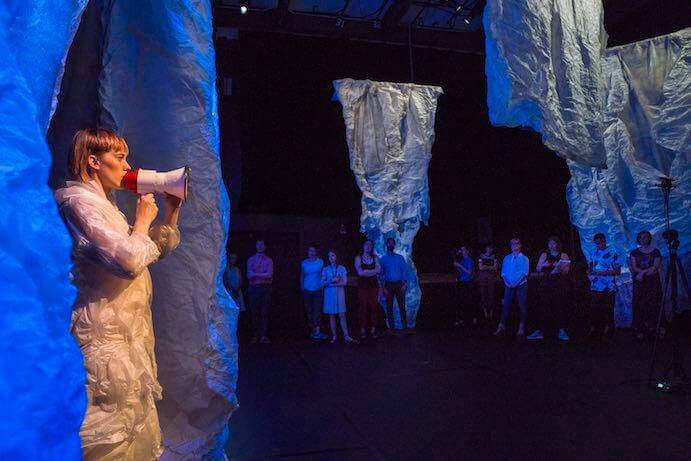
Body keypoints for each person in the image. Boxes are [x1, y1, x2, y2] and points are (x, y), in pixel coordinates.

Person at [55, 128, 181, 460]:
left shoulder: (106, 206)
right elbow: (127, 261)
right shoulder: (78, 203)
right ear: (94, 162)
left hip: (127, 333)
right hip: (103, 337)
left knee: (133, 421)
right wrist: (141, 223)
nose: (128, 167)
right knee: (110, 427)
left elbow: (151, 251)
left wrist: (170, 212)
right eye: (120, 158)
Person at [527, 237, 571, 341]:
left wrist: (559, 267)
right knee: (543, 307)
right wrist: (544, 264)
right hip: (546, 283)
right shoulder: (544, 255)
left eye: (553, 243)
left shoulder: (563, 255)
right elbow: (537, 268)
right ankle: (540, 331)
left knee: (559, 306)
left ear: (557, 244)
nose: (551, 245)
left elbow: (566, 271)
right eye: (549, 243)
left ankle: (561, 330)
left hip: (559, 283)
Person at [586, 233, 622, 337]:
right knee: (594, 307)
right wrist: (589, 271)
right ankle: (594, 327)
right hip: (595, 285)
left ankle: (608, 328)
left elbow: (618, 271)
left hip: (609, 286)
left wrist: (605, 272)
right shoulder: (593, 252)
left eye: (600, 243)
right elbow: (590, 267)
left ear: (604, 241)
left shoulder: (613, 253)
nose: (599, 245)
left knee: (608, 307)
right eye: (596, 243)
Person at [629, 230, 662, 339]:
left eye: (646, 237)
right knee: (640, 304)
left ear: (649, 238)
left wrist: (642, 273)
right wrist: (642, 273)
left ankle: (654, 327)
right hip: (639, 283)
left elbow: (655, 267)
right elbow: (634, 267)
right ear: (639, 239)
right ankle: (640, 328)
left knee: (653, 303)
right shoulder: (634, 252)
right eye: (642, 237)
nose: (644, 239)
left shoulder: (656, 251)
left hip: (652, 282)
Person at [494, 238, 529, 337]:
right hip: (508, 285)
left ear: (520, 245)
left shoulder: (524, 258)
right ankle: (501, 325)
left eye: (516, 244)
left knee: (522, 305)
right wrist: (508, 283)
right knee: (505, 305)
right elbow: (503, 273)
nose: (514, 246)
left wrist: (516, 283)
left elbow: (524, 274)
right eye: (512, 244)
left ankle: (521, 326)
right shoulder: (507, 258)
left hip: (521, 285)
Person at [322, 250, 355, 343]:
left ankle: (346, 335)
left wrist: (332, 283)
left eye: (333, 255)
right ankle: (334, 336)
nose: (331, 258)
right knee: (332, 315)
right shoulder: (325, 269)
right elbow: (322, 282)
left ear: (336, 256)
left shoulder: (342, 268)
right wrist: (333, 280)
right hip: (329, 295)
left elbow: (344, 282)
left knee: (342, 315)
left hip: (339, 294)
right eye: (329, 256)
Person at [380, 237, 410, 333]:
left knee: (402, 306)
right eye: (389, 243)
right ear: (387, 245)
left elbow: (404, 271)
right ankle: (391, 329)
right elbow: (381, 274)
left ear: (394, 245)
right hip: (388, 285)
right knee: (389, 308)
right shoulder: (383, 259)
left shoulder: (400, 258)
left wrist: (405, 283)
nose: (391, 244)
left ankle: (405, 327)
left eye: (392, 243)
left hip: (399, 285)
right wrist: (383, 287)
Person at [247, 239, 274, 344]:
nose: (260, 246)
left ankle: (263, 335)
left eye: (262, 245)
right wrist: (263, 275)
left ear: (265, 246)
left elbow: (269, 275)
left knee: (264, 312)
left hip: (266, 288)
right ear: (255, 246)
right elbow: (249, 276)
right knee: (254, 312)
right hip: (254, 289)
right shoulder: (251, 260)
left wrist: (255, 274)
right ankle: (255, 335)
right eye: (258, 244)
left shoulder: (269, 260)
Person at [355, 239, 381, 339]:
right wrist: (372, 271)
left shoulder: (375, 258)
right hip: (362, 287)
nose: (368, 246)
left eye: (370, 245)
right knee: (363, 308)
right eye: (366, 244)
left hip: (373, 286)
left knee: (373, 307)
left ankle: (373, 330)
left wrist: (366, 271)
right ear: (363, 246)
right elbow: (359, 273)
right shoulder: (358, 258)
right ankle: (362, 330)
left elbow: (379, 270)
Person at [301, 245, 327, 340]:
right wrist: (302, 286)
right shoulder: (304, 263)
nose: (311, 252)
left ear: (316, 252)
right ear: (307, 252)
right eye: (309, 251)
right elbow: (302, 275)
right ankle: (314, 330)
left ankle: (317, 331)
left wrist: (322, 285)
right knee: (309, 311)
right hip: (307, 290)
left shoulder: (321, 262)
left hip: (318, 289)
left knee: (317, 311)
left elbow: (324, 274)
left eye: (313, 251)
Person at [453, 245, 476, 326]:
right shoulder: (462, 259)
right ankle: (463, 319)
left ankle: (472, 318)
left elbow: (469, 272)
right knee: (462, 301)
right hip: (462, 282)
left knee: (469, 301)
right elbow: (462, 271)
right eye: (461, 250)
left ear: (467, 251)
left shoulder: (470, 260)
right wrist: (457, 266)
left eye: (463, 250)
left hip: (468, 283)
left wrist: (459, 265)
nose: (461, 251)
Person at [477, 244, 499, 324]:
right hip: (483, 278)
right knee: (484, 295)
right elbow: (480, 267)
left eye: (491, 248)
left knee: (491, 295)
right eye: (488, 248)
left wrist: (486, 266)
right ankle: (486, 314)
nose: (489, 249)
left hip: (491, 278)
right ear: (486, 248)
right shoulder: (481, 256)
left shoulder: (494, 257)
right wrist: (490, 267)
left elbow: (495, 267)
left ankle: (491, 314)